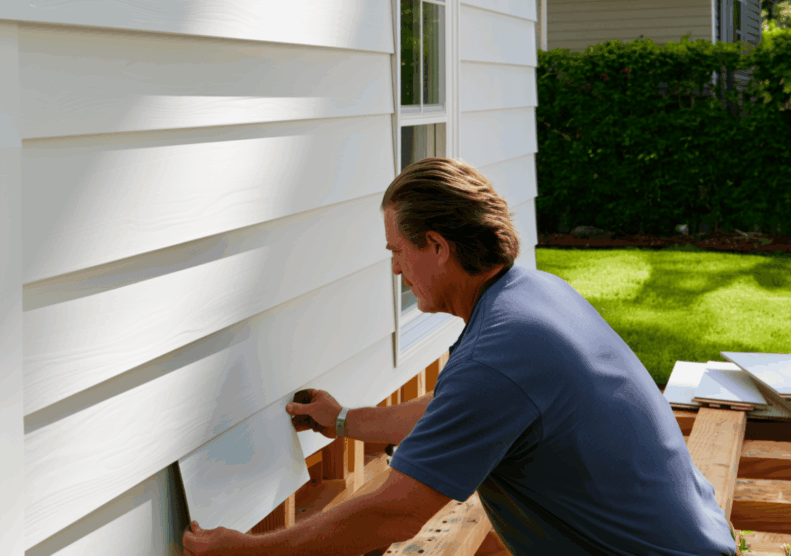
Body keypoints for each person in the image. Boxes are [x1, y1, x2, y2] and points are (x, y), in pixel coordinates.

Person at [183, 158, 736, 556]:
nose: (396, 269)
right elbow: (454, 409)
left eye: (398, 251)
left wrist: (248, 551)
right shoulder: (531, 297)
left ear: (438, 247)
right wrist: (347, 421)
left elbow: (390, 514)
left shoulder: (501, 356)